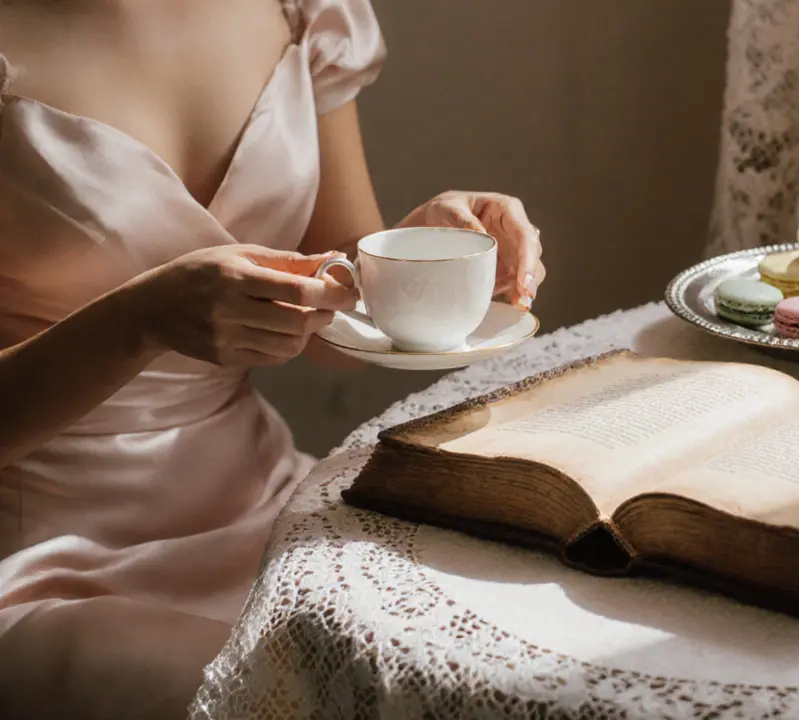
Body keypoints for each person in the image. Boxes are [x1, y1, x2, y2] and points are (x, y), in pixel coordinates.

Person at [0, 1, 544, 717]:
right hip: (46, 563)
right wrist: (138, 320)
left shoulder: (301, 11)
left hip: (268, 508)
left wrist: (412, 258)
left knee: (482, 654)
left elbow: (336, 340)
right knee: (317, 695)